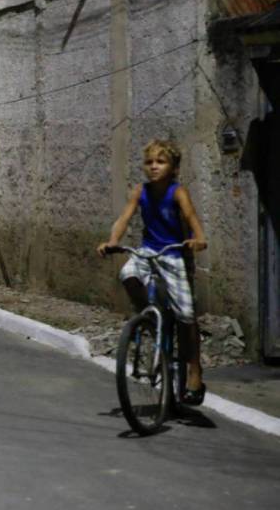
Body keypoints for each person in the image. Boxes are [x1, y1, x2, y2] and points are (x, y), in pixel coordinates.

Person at [97, 139, 208, 405]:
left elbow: (192, 218)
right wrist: (112, 241)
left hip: (172, 254)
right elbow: (124, 217)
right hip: (148, 251)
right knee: (127, 274)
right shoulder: (140, 191)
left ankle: (194, 370)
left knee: (186, 315)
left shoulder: (177, 192)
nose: (154, 167)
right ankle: (146, 314)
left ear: (173, 167)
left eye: (161, 162)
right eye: (149, 162)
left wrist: (199, 238)